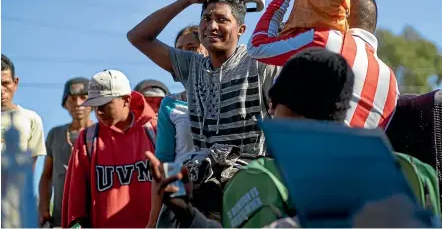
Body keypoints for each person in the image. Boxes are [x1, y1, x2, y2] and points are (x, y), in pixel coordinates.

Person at [147, 48, 435, 228]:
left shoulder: (266, 180)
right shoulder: (414, 172)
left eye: (274, 105)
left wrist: (185, 213)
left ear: (288, 108)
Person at [127, 0, 278, 157]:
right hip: (204, 182)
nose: (212, 26)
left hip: (250, 181)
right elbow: (137, 36)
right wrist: (188, 0)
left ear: (241, 30)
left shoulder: (258, 62)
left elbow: (286, 123)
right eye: (206, 18)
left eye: (222, 19)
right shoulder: (192, 66)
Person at [246, 0, 399, 130]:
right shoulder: (392, 81)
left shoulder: (327, 40)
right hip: (362, 155)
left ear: (343, 12)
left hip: (310, 152)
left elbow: (256, 46)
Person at [61, 69, 157, 228]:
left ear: (126, 99)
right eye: (94, 105)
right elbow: (76, 200)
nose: (98, 112)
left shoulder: (155, 130)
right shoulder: (88, 138)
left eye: (104, 104)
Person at [148, 25, 207, 227]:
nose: (183, 54)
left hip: (224, 193)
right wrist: (153, 220)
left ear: (207, 50)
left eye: (191, 48)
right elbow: (164, 164)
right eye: (178, 50)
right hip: (183, 199)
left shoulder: (233, 92)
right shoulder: (170, 104)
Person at [38, 77, 93, 227]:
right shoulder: (55, 134)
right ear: (65, 103)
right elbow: (46, 176)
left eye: (84, 97)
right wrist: (43, 207)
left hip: (95, 216)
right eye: (73, 98)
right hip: (61, 217)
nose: (78, 103)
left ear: (94, 103)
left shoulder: (101, 133)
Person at [1, 53, 46, 170]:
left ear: (15, 83)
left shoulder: (31, 119)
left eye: (5, 83)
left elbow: (29, 169)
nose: (1, 90)